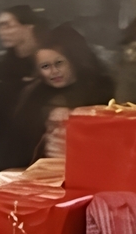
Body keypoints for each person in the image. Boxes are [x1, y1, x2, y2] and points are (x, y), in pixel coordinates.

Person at [6, 24, 114, 168]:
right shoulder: (32, 97)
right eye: (45, 66)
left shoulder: (101, 91)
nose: (53, 71)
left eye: (59, 63)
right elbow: (20, 145)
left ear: (74, 61)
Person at [0, 5, 45, 129]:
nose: (1, 32)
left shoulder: (48, 60)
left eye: (7, 26)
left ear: (28, 27)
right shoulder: (3, 65)